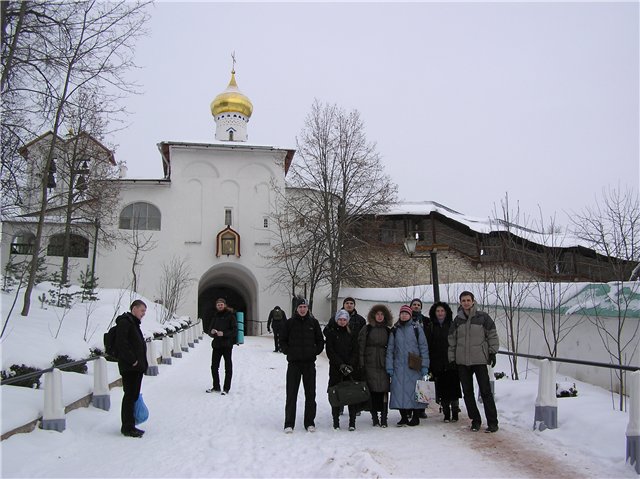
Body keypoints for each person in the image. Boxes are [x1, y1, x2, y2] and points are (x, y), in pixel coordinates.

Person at [448, 291, 500, 433]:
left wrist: (492, 352)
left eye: (468, 300)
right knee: (468, 392)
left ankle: (492, 422)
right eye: (463, 300)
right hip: (462, 362)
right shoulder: (457, 320)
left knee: (485, 391)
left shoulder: (483, 317)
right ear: (460, 302)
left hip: (479, 360)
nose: (466, 303)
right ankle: (475, 420)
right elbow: (452, 341)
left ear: (473, 301)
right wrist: (452, 358)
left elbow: (492, 335)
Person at [279, 297, 324, 433]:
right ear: (296, 309)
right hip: (294, 364)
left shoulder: (314, 323)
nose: (303, 309)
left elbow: (320, 340)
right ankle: (289, 423)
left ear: (308, 308)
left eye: (305, 307)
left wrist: (314, 352)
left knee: (310, 394)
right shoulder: (290, 323)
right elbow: (283, 340)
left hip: (309, 364)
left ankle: (309, 422)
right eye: (300, 307)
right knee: (291, 394)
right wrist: (289, 351)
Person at [385, 304, 430, 427]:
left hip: (415, 366)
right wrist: (389, 366)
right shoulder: (395, 330)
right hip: (399, 366)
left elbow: (423, 348)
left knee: (415, 392)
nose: (404, 315)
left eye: (406, 313)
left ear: (410, 315)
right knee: (399, 391)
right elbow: (390, 349)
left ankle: (415, 417)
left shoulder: (417, 329)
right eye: (402, 313)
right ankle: (403, 417)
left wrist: (425, 365)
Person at [115, 299, 149, 438]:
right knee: (129, 396)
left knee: (133, 395)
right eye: (142, 310)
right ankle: (127, 427)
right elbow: (122, 343)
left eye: (145, 311)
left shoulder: (133, 323)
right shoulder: (125, 322)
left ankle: (131, 425)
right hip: (130, 367)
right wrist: (133, 360)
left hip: (136, 368)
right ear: (134, 309)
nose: (143, 314)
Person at [426, 301, 462, 422]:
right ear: (434, 313)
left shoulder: (452, 325)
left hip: (451, 361)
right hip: (437, 363)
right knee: (442, 389)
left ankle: (455, 410)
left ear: (446, 312)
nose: (440, 313)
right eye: (438, 311)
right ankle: (446, 413)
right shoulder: (431, 327)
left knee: (454, 388)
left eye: (442, 311)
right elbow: (428, 345)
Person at [358, 304, 393, 428]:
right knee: (372, 391)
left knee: (384, 390)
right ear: (373, 315)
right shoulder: (367, 329)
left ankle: (384, 417)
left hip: (383, 363)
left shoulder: (388, 331)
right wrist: (361, 364)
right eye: (377, 314)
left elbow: (393, 348)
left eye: (382, 314)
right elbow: (361, 347)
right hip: (370, 362)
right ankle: (374, 417)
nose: (379, 316)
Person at [325, 309, 359, 431]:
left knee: (351, 394)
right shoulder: (331, 333)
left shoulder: (352, 334)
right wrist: (340, 364)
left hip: (350, 369)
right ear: (337, 320)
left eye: (344, 320)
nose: (342, 322)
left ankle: (352, 422)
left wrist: (350, 365)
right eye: (340, 319)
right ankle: (335, 421)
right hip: (336, 368)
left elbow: (356, 350)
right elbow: (330, 351)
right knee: (336, 394)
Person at [204, 298, 238, 395]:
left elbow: (234, 330)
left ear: (225, 305)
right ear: (216, 306)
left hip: (227, 345)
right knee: (214, 367)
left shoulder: (230, 316)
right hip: (216, 345)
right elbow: (209, 329)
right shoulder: (215, 316)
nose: (220, 306)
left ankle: (226, 388)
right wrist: (212, 332)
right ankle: (216, 386)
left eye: (221, 304)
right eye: (218, 304)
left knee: (228, 367)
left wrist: (224, 333)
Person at [409, 298, 428, 419]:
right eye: (414, 305)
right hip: (410, 355)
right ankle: (410, 407)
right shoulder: (405, 319)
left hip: (423, 353)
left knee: (422, 384)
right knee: (411, 383)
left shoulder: (426, 321)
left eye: (418, 305)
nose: (416, 306)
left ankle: (421, 408)